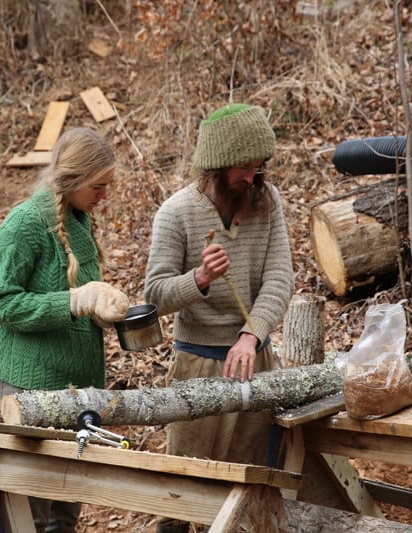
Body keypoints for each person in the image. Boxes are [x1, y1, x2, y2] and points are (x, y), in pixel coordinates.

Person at [143, 103, 295, 533]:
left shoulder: (268, 201)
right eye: (243, 166)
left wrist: (251, 335)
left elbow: (280, 277)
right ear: (217, 164)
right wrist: (200, 278)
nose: (252, 175)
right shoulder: (175, 213)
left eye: (258, 165)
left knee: (250, 485)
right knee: (183, 489)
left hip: (253, 361)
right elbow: (155, 294)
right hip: (198, 366)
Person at [0, 127, 130, 533]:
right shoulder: (24, 224)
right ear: (71, 178)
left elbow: (76, 295)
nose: (105, 195)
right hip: (30, 390)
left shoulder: (79, 220)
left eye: (108, 185)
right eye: (98, 186)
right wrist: (74, 302)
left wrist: (100, 311)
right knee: (30, 513)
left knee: (66, 512)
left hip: (78, 387)